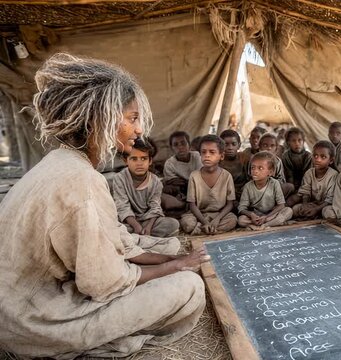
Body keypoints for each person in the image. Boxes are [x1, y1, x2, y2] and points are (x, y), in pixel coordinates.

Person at [0, 53, 208, 358]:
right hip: (32, 323)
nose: (139, 130)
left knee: (170, 246)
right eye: (133, 118)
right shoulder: (81, 180)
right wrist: (173, 267)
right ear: (102, 118)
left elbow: (113, 240)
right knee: (189, 286)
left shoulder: (59, 161)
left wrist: (168, 255)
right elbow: (104, 283)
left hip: (14, 308)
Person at [112, 139, 180, 251]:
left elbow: (155, 206)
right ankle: (142, 238)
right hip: (128, 222)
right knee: (114, 229)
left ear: (150, 161)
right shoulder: (119, 178)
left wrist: (148, 227)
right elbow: (122, 206)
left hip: (147, 221)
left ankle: (137, 238)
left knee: (173, 224)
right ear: (126, 160)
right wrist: (136, 226)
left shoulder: (156, 181)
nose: (139, 163)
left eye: (143, 158)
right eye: (134, 159)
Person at [180, 135, 237, 235]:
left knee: (232, 220)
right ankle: (210, 229)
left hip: (219, 214)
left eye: (212, 152)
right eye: (203, 152)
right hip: (199, 215)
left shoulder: (227, 176)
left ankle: (203, 230)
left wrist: (217, 219)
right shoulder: (194, 176)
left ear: (221, 156)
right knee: (187, 223)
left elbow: (230, 204)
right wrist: (204, 221)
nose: (207, 155)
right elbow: (192, 205)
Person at [238, 151, 293, 230]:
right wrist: (251, 215)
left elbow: (281, 205)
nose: (255, 171)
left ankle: (264, 225)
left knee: (288, 211)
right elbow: (242, 208)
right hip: (256, 216)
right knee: (241, 220)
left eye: (260, 168)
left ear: (270, 172)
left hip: (271, 215)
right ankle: (269, 224)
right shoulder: (248, 186)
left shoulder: (275, 183)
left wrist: (267, 217)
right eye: (253, 167)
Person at [291, 140, 339, 219]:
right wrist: (305, 205)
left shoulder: (333, 175)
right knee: (295, 209)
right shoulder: (309, 173)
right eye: (315, 156)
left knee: (329, 214)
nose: (318, 159)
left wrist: (316, 209)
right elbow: (305, 191)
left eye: (323, 157)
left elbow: (330, 199)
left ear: (331, 160)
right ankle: (313, 214)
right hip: (312, 204)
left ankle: (316, 214)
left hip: (325, 205)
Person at [161, 131, 201, 212]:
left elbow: (202, 178)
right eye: (176, 145)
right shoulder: (170, 164)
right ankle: (185, 205)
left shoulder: (197, 157)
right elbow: (174, 184)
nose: (180, 147)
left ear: (189, 145)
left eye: (183, 143)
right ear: (172, 148)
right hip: (182, 192)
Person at [256, 132, 294, 198]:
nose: (269, 148)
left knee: (290, 187)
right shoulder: (254, 160)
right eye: (265, 145)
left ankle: (273, 202)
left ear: (276, 149)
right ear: (259, 147)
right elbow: (250, 178)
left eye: (272, 146)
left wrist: (271, 183)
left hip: (273, 188)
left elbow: (281, 179)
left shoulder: (278, 161)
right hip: (258, 189)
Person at [220, 129, 249, 204]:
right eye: (226, 144)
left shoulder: (244, 158)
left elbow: (251, 180)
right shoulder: (217, 161)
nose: (230, 148)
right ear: (220, 146)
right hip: (222, 197)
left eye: (233, 144)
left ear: (239, 145)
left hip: (243, 196)